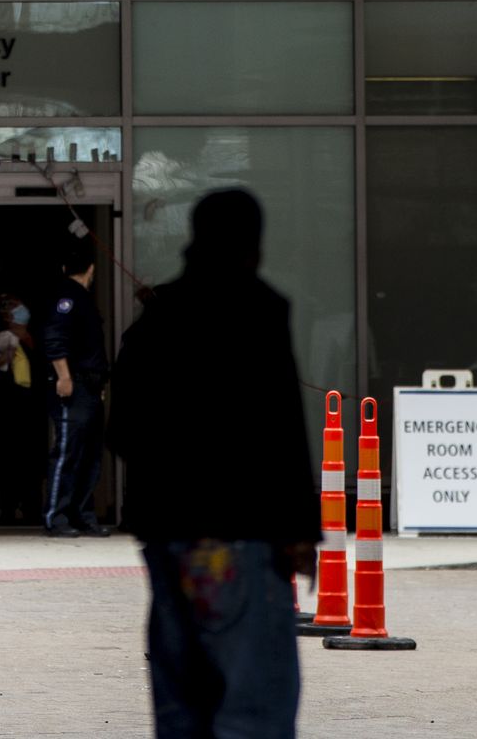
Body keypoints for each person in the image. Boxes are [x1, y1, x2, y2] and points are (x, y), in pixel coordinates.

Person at [109, 189, 317, 739]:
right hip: (243, 534)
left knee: (183, 700)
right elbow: (282, 429)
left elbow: (122, 429)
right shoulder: (258, 309)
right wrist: (299, 532)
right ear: (252, 244)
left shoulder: (157, 317)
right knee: (252, 703)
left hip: (167, 533)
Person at [42, 242, 110, 539]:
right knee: (68, 452)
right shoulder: (67, 298)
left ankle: (82, 515)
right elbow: (55, 338)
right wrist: (64, 377)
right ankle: (56, 517)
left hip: (91, 386)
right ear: (91, 270)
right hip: (75, 385)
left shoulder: (82, 298)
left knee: (90, 454)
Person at [0, 292, 42, 524]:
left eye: (20, 307)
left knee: (32, 458)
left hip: (31, 406)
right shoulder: (0, 337)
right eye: (12, 309)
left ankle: (32, 507)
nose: (18, 312)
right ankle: (7, 507)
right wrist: (4, 359)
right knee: (8, 458)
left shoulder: (34, 337)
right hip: (7, 404)